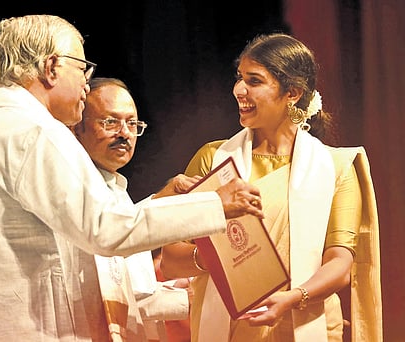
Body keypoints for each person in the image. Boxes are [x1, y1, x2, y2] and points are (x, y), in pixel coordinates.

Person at [0, 15, 263, 342]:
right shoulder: (34, 132)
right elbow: (104, 230)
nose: (86, 83)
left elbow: (95, 258)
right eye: (82, 67)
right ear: (51, 66)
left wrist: (161, 205)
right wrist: (215, 204)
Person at [160, 33, 382, 342]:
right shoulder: (214, 160)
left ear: (292, 92)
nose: (239, 90)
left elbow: (340, 264)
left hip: (305, 324)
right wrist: (213, 258)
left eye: (254, 81)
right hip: (229, 328)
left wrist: (294, 298)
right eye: (239, 78)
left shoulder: (336, 167)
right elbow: (171, 260)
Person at [71, 77, 193, 341]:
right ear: (76, 127)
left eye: (132, 123)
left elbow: (136, 291)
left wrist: (182, 293)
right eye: (110, 122)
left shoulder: (115, 189)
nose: (124, 133)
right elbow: (115, 297)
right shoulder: (75, 191)